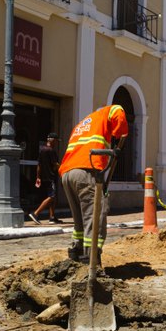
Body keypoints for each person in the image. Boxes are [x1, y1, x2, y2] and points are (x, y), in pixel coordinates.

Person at [59, 105, 128, 269]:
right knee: (95, 217)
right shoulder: (107, 112)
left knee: (79, 220)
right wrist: (118, 135)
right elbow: (119, 113)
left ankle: (76, 252)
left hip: (67, 174)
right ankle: (91, 263)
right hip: (85, 170)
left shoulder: (83, 124)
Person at [29, 133, 63, 225]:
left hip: (44, 177)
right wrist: (64, 169)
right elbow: (55, 165)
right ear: (51, 140)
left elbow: (39, 165)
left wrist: (38, 177)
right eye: (56, 141)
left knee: (53, 197)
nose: (56, 143)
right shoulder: (51, 151)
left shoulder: (42, 150)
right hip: (51, 176)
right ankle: (35, 213)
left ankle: (52, 217)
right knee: (51, 197)